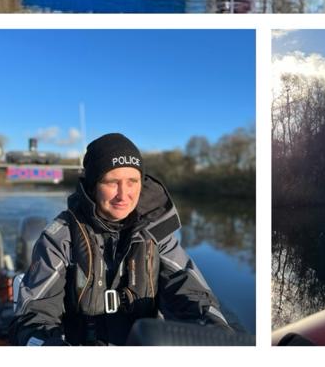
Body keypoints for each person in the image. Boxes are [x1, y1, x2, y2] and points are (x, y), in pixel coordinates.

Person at [12, 133, 231, 345]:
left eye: (132, 181)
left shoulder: (157, 233)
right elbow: (34, 316)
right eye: (111, 182)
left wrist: (218, 333)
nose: (124, 194)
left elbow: (190, 293)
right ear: (92, 186)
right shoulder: (59, 238)